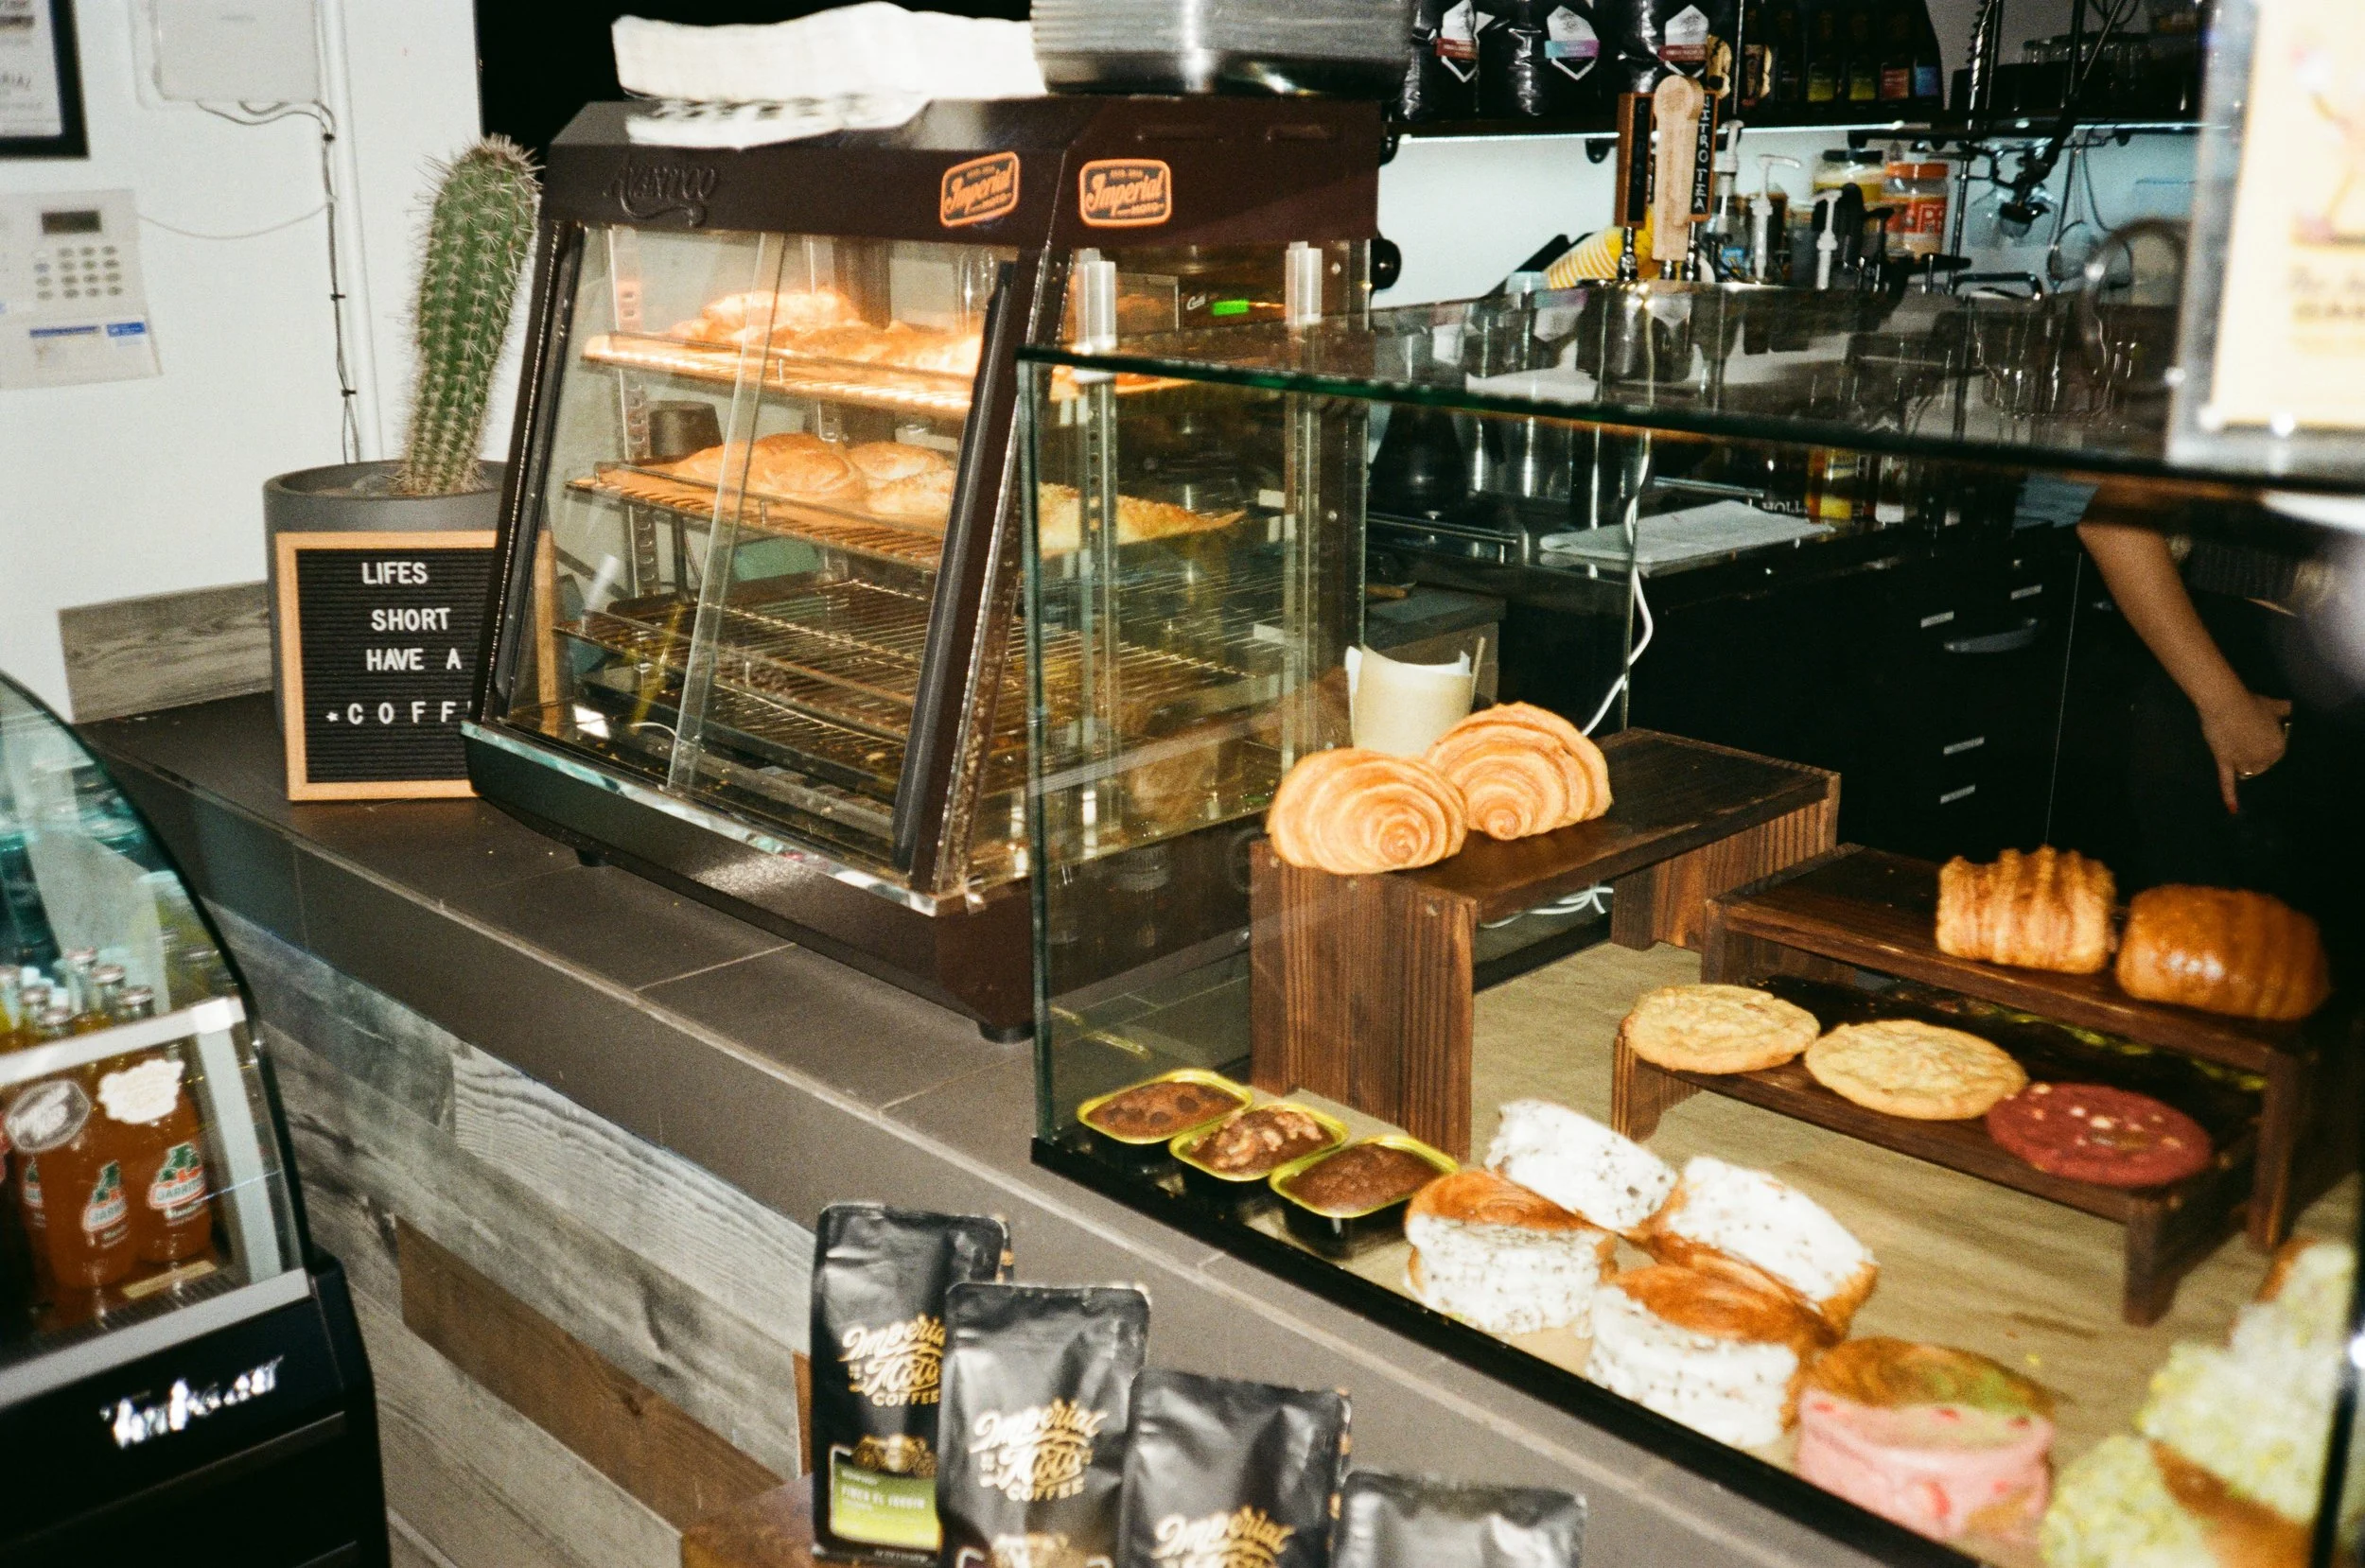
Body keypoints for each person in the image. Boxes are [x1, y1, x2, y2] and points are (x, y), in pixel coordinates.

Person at [2077, 488, 2362, 982]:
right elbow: (2113, 525)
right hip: (2248, 684)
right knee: (2214, 970)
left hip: (2318, 703)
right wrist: (2227, 707)